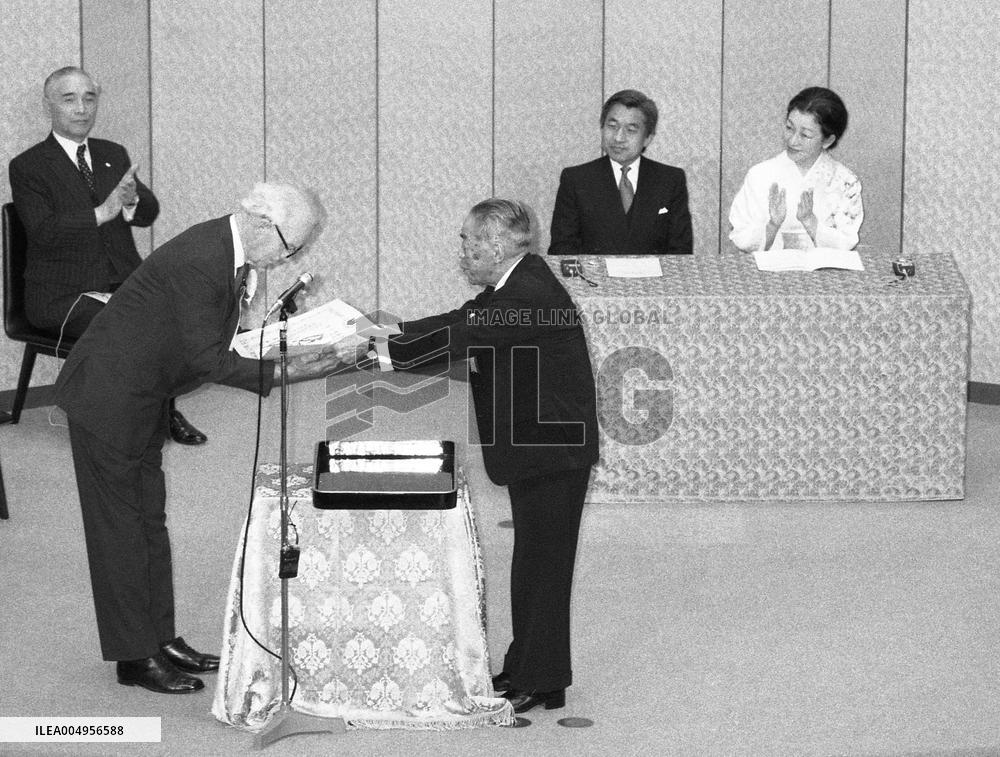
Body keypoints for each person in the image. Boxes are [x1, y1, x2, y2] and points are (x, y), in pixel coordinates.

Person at [54, 182, 347, 694]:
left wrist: (285, 346)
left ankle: (160, 637)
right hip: (108, 397)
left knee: (147, 520)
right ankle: (134, 657)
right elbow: (205, 359)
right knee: (120, 532)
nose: (287, 256)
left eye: (294, 248)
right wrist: (291, 370)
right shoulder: (203, 258)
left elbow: (207, 338)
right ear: (259, 221)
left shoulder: (228, 250)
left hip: (143, 393)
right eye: (288, 244)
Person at [369, 199, 599, 714]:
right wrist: (388, 333)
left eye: (468, 241)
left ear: (496, 244)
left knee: (542, 567)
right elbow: (463, 318)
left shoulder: (531, 293)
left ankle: (539, 680)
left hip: (552, 451)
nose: (464, 251)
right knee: (537, 564)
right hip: (542, 444)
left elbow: (466, 332)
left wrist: (378, 351)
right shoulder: (515, 284)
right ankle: (534, 670)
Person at [8, 66, 206, 445]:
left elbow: (147, 214)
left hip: (123, 281)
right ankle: (148, 413)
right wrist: (102, 212)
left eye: (89, 98)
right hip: (62, 294)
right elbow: (44, 232)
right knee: (132, 323)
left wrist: (131, 201)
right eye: (69, 99)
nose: (82, 108)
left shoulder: (112, 153)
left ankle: (159, 407)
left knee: (177, 310)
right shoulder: (29, 165)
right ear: (49, 104)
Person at [548, 88, 693, 256]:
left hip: (653, 280)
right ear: (602, 128)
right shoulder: (576, 179)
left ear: (648, 137)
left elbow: (681, 251)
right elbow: (562, 249)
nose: (618, 137)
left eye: (631, 130)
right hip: (595, 279)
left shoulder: (670, 180)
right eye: (612, 126)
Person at [728, 86, 863, 252]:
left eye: (805, 135)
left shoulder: (845, 181)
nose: (792, 141)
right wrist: (772, 225)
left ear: (827, 140)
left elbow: (846, 241)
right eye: (789, 128)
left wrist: (811, 222)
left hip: (826, 274)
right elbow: (741, 236)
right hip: (767, 275)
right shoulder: (760, 175)